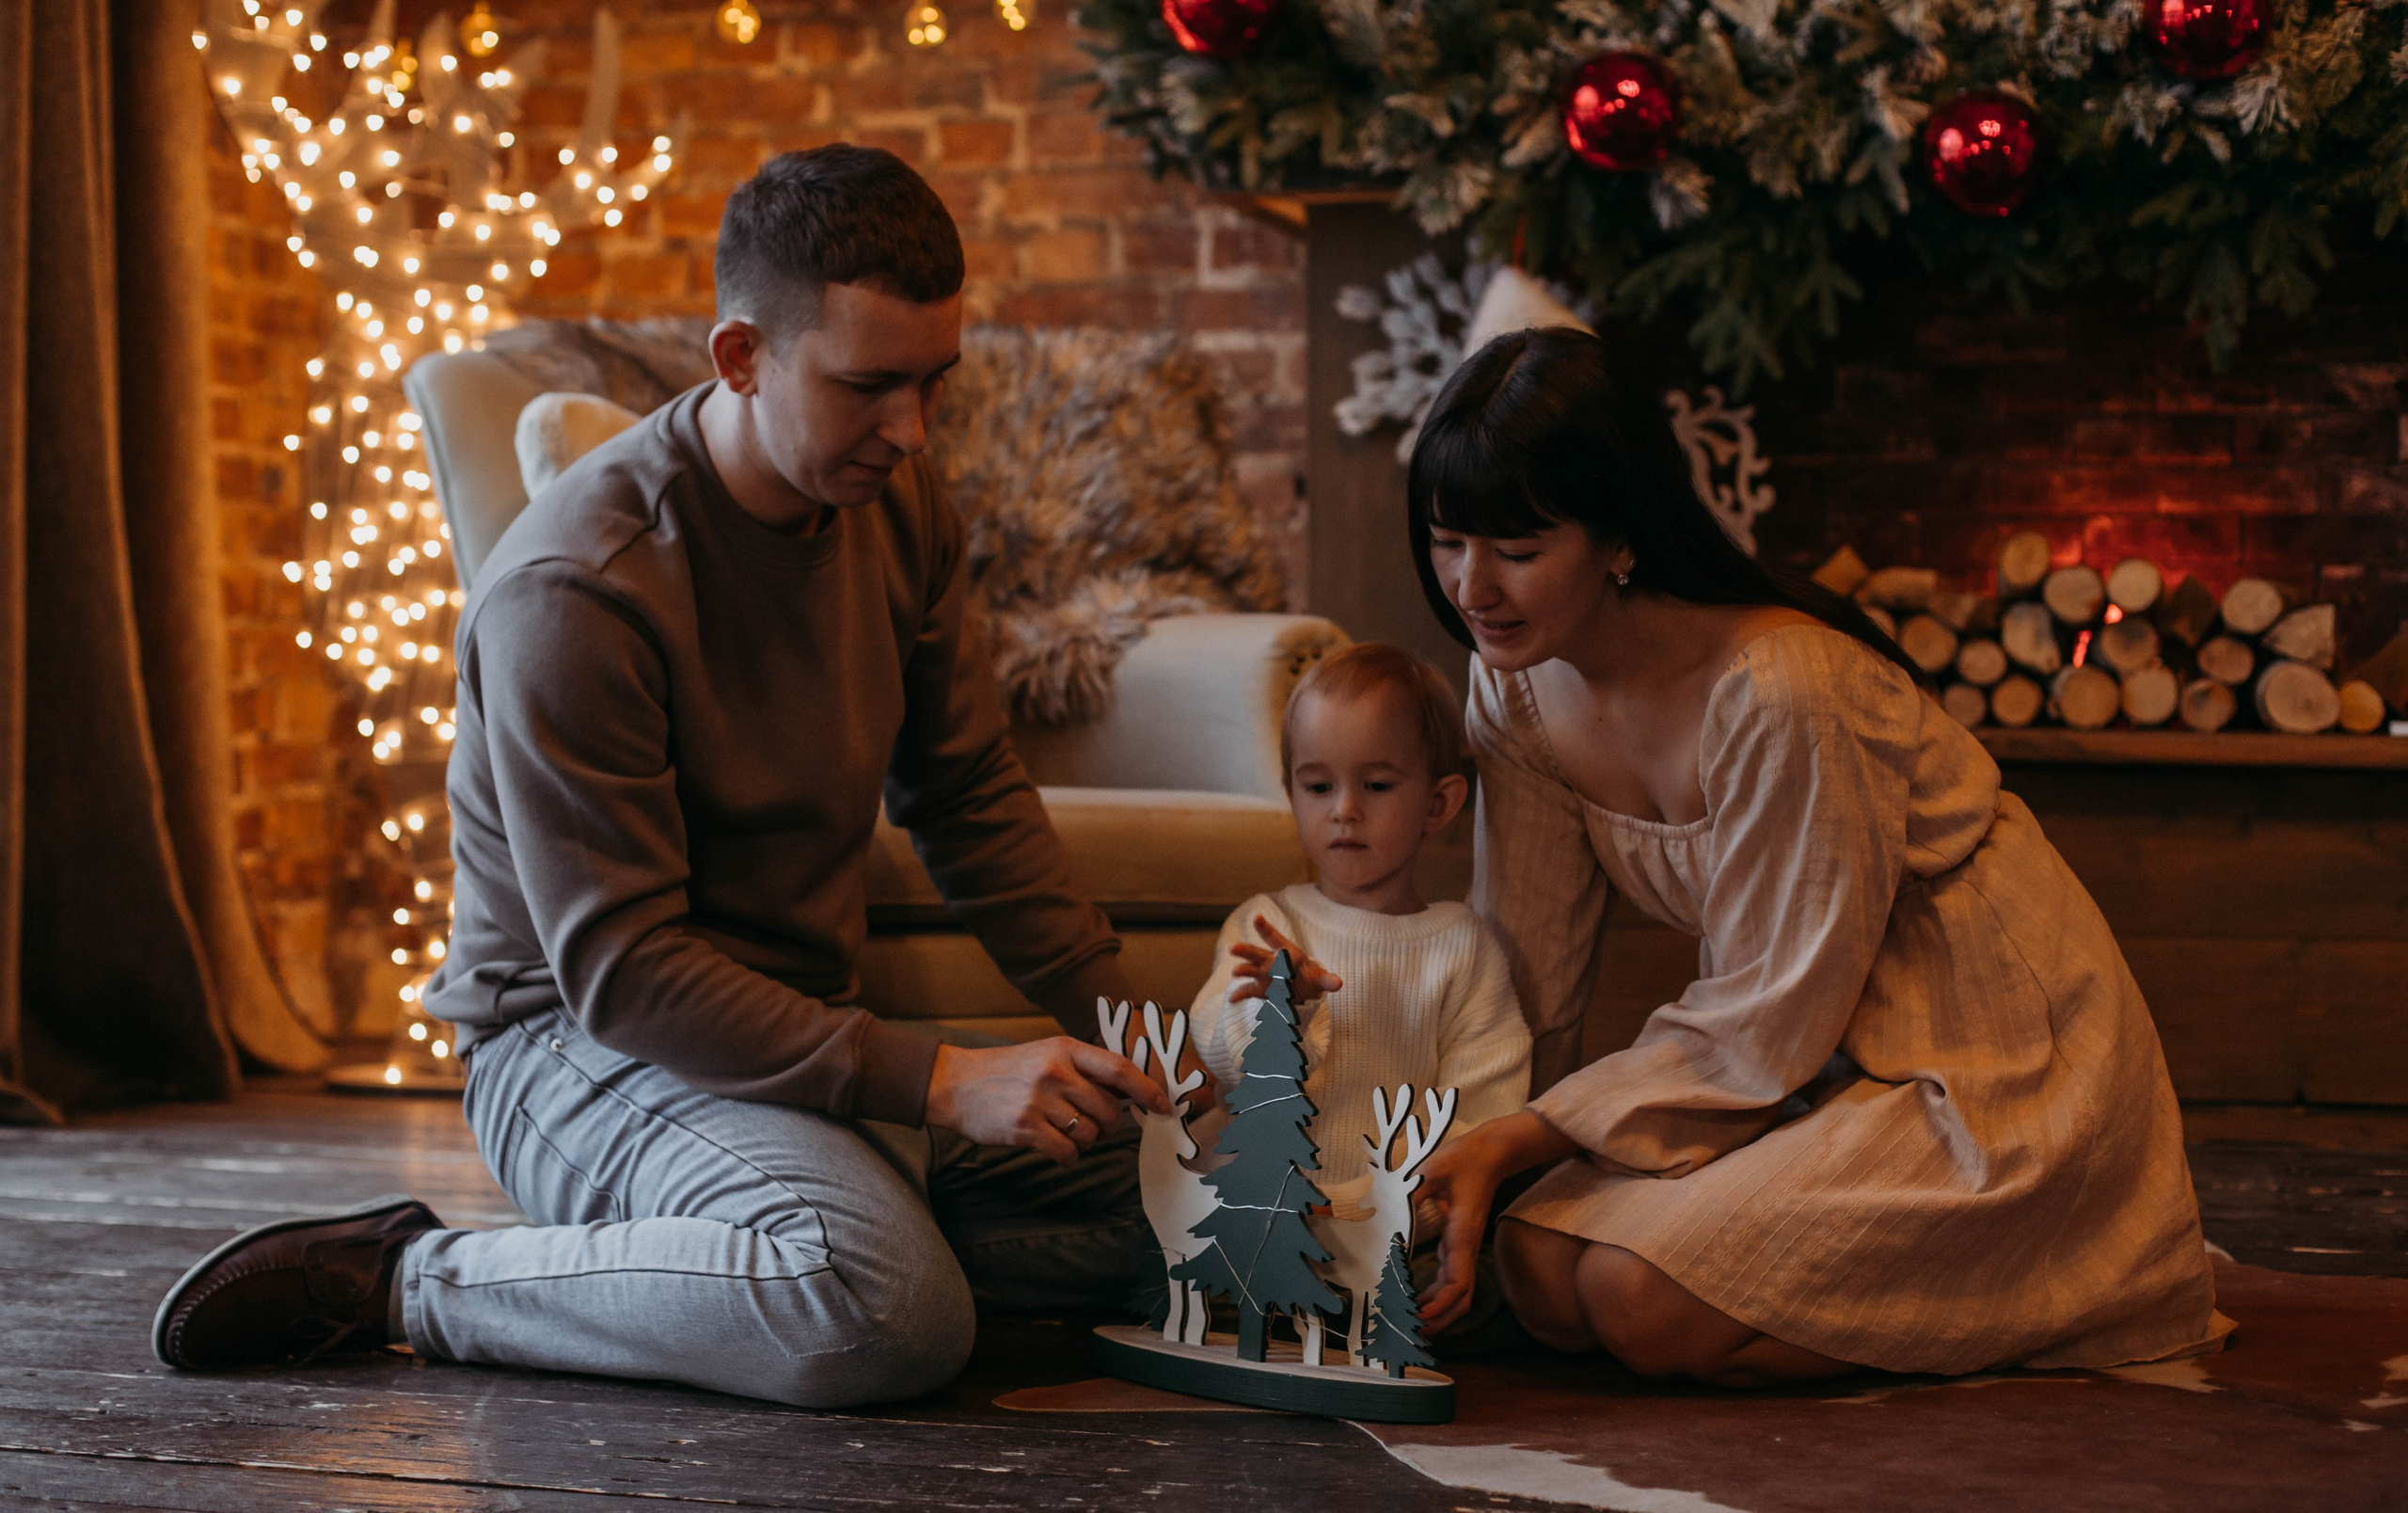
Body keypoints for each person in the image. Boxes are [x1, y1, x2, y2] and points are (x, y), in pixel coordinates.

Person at [151, 145, 1175, 1407]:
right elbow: (626, 973)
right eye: (868, 387)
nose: (911, 433)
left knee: (1239, 1212)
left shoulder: (902, 506)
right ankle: (408, 1277)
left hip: (796, 1037)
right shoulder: (577, 588)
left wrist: (1143, 1040)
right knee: (885, 1314)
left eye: (933, 384)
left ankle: (776, 1245)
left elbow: (966, 798)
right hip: (576, 1051)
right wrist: (948, 1079)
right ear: (740, 358)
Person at [1397, 326, 2233, 1390]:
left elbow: (1765, 1016)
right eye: (1445, 541)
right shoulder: (1514, 684)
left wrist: (1528, 1140)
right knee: (1535, 1267)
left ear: (1619, 537)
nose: (1472, 587)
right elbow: (1528, 966)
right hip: (1802, 1066)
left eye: (1517, 551)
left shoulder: (1782, 688)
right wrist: (1455, 1162)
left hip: (1986, 1067)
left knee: (1633, 1300)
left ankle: (2056, 1285)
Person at [1187, 642, 1530, 1213]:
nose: (1344, 809)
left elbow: (1481, 1110)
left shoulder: (1462, 947)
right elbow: (1223, 1054)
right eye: (1318, 787)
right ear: (1292, 792)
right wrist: (1281, 1009)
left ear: (1438, 805)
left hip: (1389, 1230)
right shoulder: (1268, 924)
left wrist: (1382, 1208)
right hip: (1249, 1216)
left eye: (1376, 786)